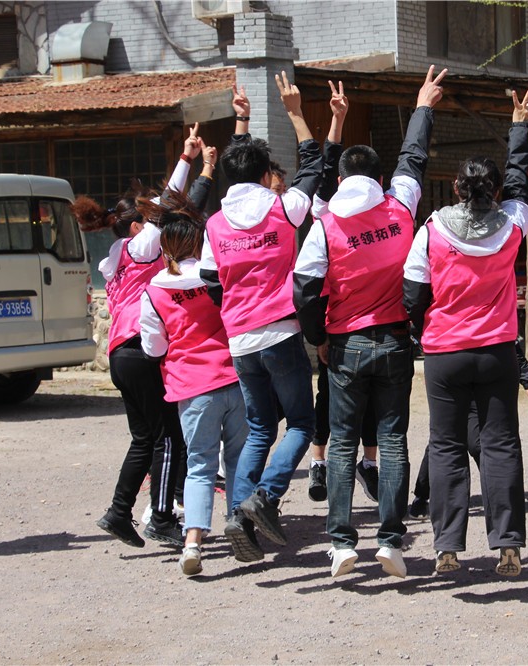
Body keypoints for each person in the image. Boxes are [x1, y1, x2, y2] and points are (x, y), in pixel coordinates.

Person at [295, 67, 445, 579]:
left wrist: (317, 337)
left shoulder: (325, 225)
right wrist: (423, 104)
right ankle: (391, 540)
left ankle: (340, 544)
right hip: (398, 342)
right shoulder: (401, 207)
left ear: (339, 181)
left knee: (340, 441)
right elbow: (414, 157)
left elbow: (304, 288)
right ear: (379, 181)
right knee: (394, 439)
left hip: (345, 345)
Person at [403, 89, 528, 576]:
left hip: (444, 352)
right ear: (495, 191)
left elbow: (413, 292)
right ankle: (508, 545)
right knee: (500, 444)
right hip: (497, 349)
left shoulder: (432, 229)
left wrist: (421, 331)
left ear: (458, 188)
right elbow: (519, 184)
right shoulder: (514, 224)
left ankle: (448, 548)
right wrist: (519, 127)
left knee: (445, 445)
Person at [199, 71, 322, 562]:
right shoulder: (283, 208)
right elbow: (313, 167)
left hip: (240, 337)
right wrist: (296, 114)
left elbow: (210, 281)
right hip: (280, 332)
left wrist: (242, 121)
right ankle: (264, 497)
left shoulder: (215, 222)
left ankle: (234, 517)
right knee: (301, 424)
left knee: (257, 428)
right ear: (264, 172)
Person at [77, 133, 199, 549]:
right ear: (135, 225)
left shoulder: (112, 261)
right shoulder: (140, 248)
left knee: (145, 437)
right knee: (168, 436)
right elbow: (166, 204)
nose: (156, 225)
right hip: (138, 349)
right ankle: (162, 516)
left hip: (117, 354)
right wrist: (185, 158)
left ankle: (118, 511)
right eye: (146, 221)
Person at [138, 191, 248, 575]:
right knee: (236, 460)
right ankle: (241, 526)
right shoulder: (215, 277)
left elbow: (153, 347)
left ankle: (192, 543)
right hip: (234, 377)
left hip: (192, 385)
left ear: (165, 248)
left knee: (199, 465)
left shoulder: (153, 290)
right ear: (199, 243)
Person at [301, 81, 380, 506]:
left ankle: (367, 464)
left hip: (365, 318)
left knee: (367, 399)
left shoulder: (381, 213)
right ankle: (319, 461)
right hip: (334, 320)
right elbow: (327, 168)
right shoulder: (325, 210)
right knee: (328, 395)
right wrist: (337, 120)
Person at [407, 339, 528, 519]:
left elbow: (510, 342)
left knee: (479, 444)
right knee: (442, 443)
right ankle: (421, 496)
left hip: (482, 381)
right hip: (450, 373)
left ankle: (498, 496)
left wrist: (527, 383)